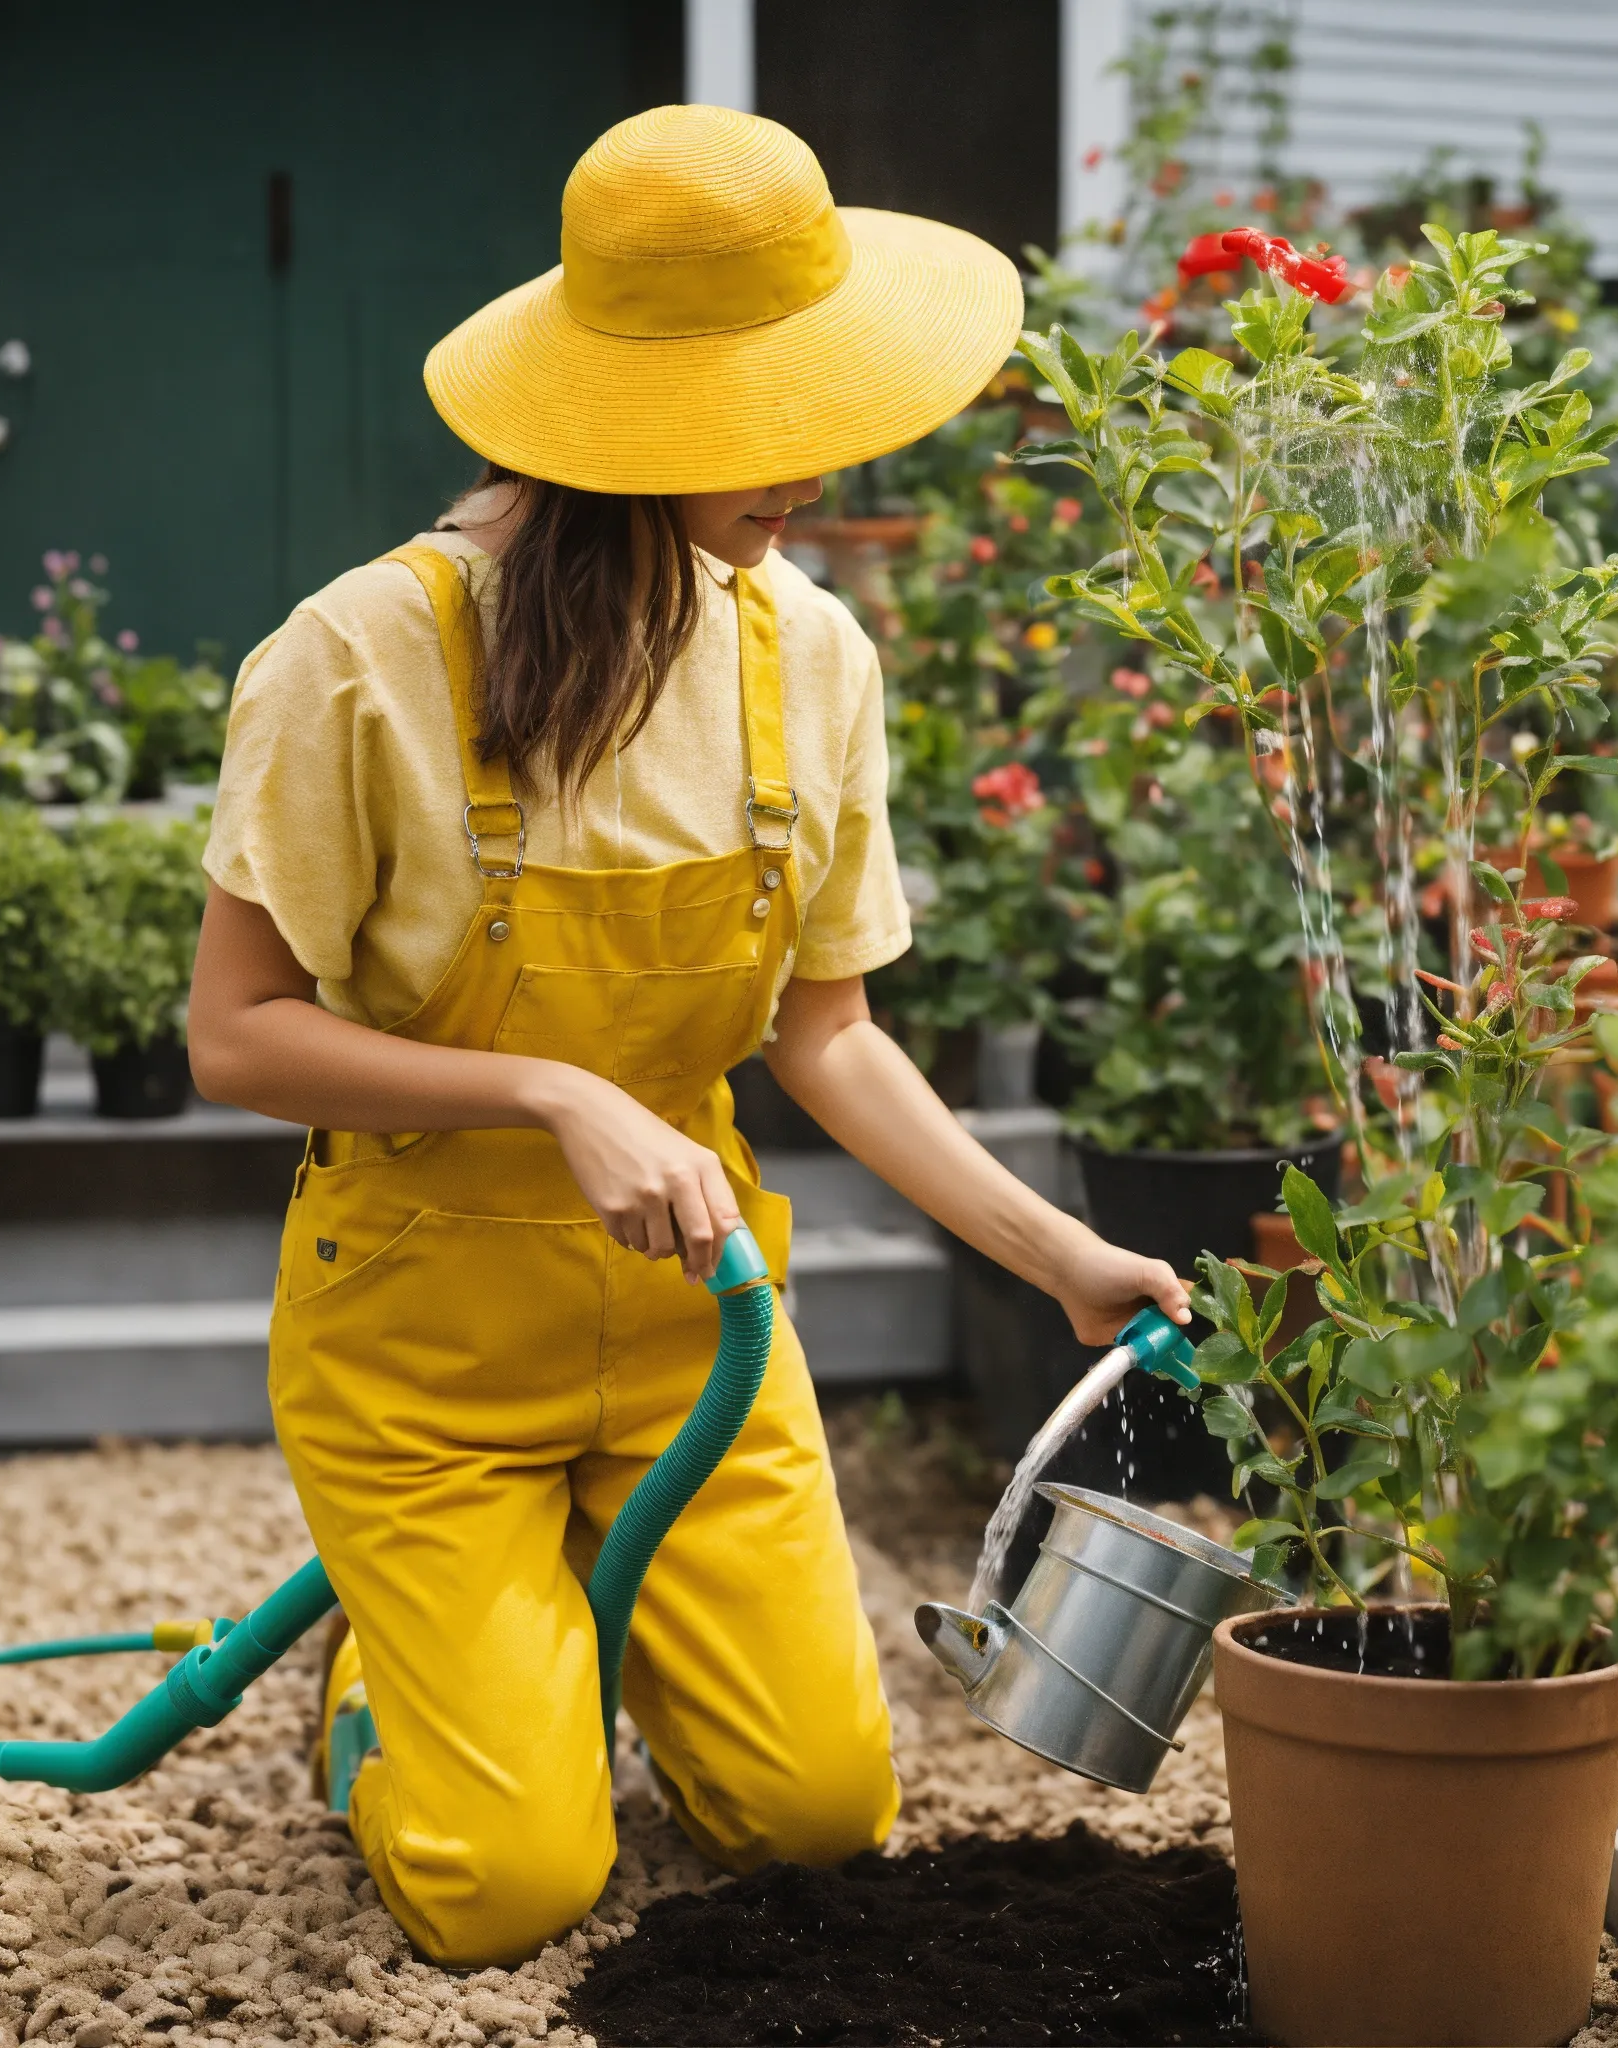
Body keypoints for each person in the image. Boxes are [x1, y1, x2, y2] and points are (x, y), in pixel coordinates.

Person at [187, 103, 1189, 1969]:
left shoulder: (808, 654)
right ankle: (382, 1685)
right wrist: (553, 1089)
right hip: (422, 1347)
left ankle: (552, 1620)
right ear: (615, 424)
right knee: (505, 1892)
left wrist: (1060, 1259)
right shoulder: (359, 656)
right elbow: (236, 1039)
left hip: (688, 1329)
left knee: (816, 1821)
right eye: (755, 415)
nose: (808, 463)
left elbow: (831, 1035)